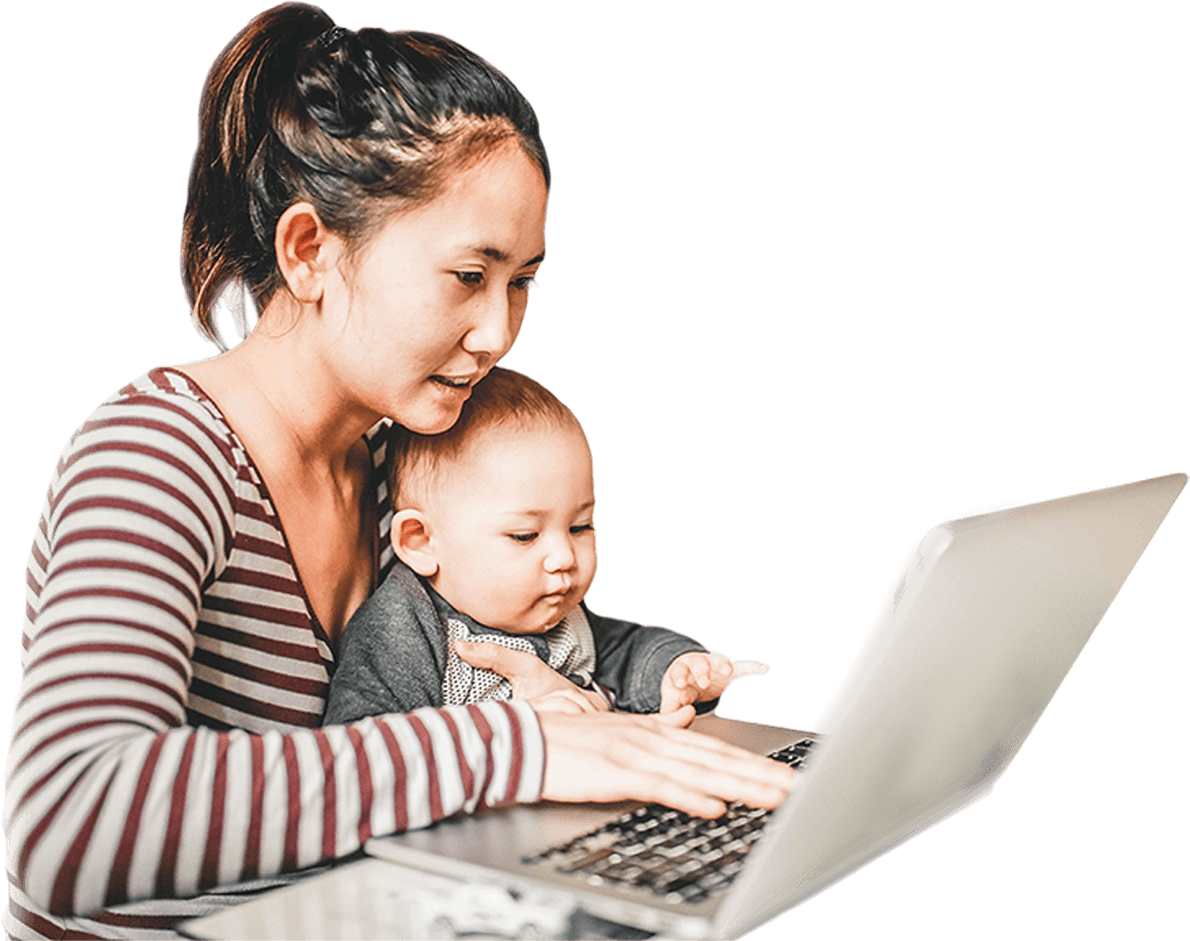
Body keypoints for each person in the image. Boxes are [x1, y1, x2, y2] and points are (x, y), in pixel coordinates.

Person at [5, 5, 796, 938]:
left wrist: (567, 698)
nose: (499, 334)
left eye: (524, 282)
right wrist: (508, 746)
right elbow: (66, 821)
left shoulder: (401, 467)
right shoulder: (155, 455)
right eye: (469, 275)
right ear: (310, 252)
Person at [323, 366, 772, 725]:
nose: (563, 558)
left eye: (580, 527)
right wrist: (510, 729)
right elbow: (363, 750)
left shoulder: (560, 617)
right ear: (421, 542)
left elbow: (626, 652)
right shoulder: (404, 630)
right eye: (525, 535)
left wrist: (678, 671)